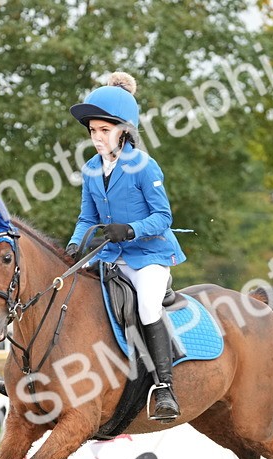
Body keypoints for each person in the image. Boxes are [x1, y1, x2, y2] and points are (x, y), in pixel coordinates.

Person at [67, 71, 186, 421]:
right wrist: (76, 245)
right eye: (93, 131)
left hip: (149, 255)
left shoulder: (144, 166)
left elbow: (163, 217)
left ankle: (165, 387)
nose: (97, 138)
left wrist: (130, 230)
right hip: (111, 256)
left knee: (148, 305)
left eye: (105, 130)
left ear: (124, 131)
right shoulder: (90, 169)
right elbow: (86, 217)